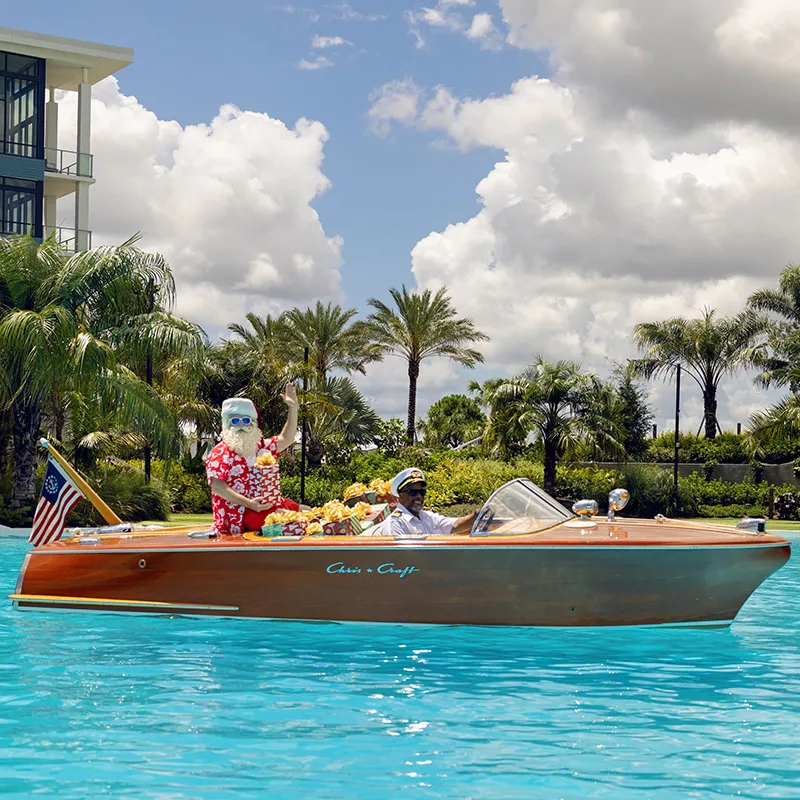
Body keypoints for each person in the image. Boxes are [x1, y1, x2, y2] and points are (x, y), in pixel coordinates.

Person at [205, 384, 304, 535]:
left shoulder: (261, 447)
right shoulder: (220, 453)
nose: (241, 426)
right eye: (234, 422)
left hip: (267, 506)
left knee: (306, 511)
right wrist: (249, 504)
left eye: (246, 421)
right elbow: (218, 487)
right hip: (238, 517)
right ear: (226, 425)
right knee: (296, 519)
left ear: (254, 424)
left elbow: (287, 438)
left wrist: (293, 409)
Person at [368, 468, 477, 537]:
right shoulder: (396, 523)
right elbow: (402, 558)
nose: (419, 496)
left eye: (421, 492)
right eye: (412, 492)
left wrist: (478, 515)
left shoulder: (428, 517)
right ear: (401, 495)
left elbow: (456, 525)